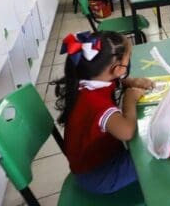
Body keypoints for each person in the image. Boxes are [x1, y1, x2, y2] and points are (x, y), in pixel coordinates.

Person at [50, 31, 154, 194]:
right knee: (156, 154)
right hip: (100, 176)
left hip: (97, 161)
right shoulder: (96, 104)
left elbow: (113, 80)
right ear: (118, 69)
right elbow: (127, 132)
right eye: (129, 57)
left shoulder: (87, 80)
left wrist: (131, 81)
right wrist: (130, 99)